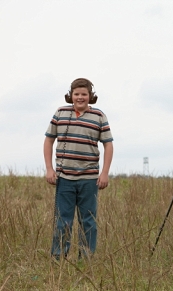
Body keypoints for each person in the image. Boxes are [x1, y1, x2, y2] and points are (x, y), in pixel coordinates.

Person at [44, 78, 114, 260]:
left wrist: (104, 173)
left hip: (89, 179)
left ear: (90, 96)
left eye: (84, 94)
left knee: (88, 221)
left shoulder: (99, 116)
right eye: (76, 94)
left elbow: (108, 145)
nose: (80, 97)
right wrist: (49, 169)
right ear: (71, 95)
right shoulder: (61, 112)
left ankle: (86, 259)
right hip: (64, 178)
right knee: (63, 221)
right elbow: (49, 140)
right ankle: (58, 258)